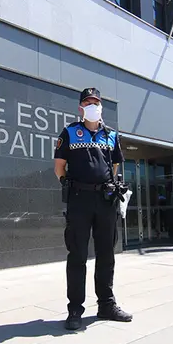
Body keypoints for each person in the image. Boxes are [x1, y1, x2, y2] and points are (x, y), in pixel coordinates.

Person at [54, 87, 132, 330]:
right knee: (77, 255)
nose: (92, 105)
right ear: (81, 107)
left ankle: (106, 305)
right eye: (88, 102)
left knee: (106, 255)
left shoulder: (111, 135)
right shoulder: (69, 132)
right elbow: (59, 167)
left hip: (106, 201)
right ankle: (75, 310)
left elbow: (115, 165)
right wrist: (74, 186)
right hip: (79, 200)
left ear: (101, 107)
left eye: (96, 102)